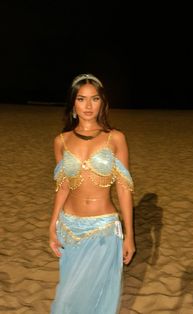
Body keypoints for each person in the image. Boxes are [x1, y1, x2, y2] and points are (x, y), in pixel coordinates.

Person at [49, 73, 135, 314]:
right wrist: (52, 223)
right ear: (73, 104)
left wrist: (129, 235)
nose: (88, 106)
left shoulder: (115, 138)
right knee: (67, 298)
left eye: (94, 99)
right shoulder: (61, 141)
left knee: (95, 296)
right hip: (69, 228)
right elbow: (63, 186)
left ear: (102, 103)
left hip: (103, 229)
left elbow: (124, 188)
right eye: (81, 99)